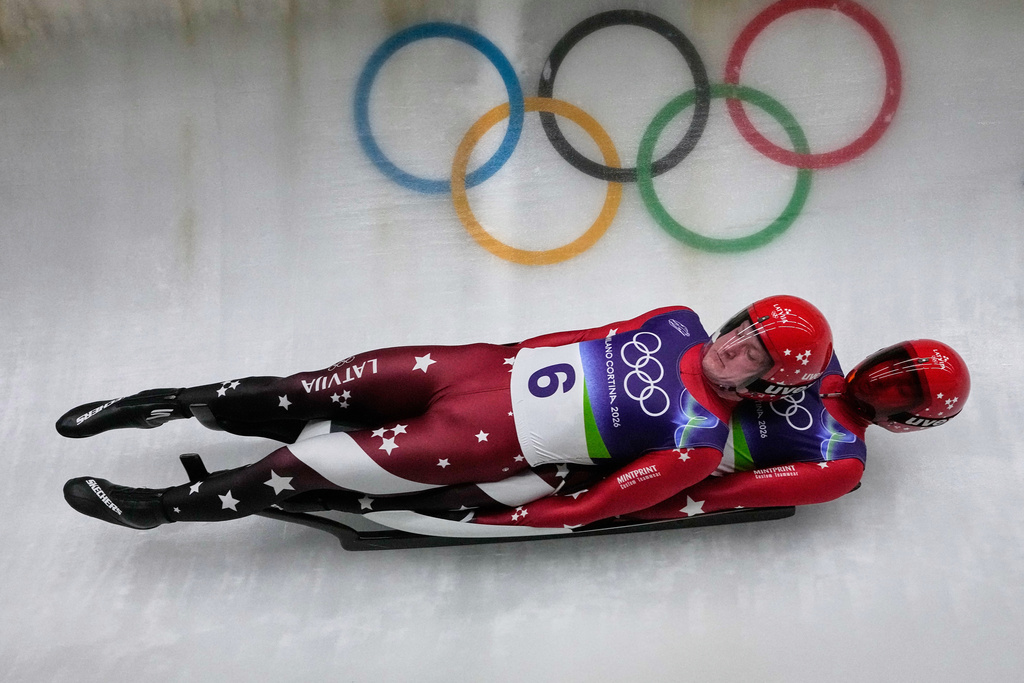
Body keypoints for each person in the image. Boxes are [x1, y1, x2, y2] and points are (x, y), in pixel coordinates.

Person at [59, 296, 833, 532]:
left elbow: (600, 502)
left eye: (756, 355)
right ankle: (159, 406)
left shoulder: (697, 442)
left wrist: (513, 522)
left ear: (766, 384)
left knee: (296, 468)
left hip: (477, 439)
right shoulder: (676, 320)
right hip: (475, 366)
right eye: (746, 331)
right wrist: (503, 353)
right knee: (304, 388)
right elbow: (575, 335)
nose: (736, 348)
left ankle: (156, 509)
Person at [272, 339, 971, 534]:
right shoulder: (814, 357)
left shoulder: (840, 463)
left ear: (909, 423)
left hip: (624, 463)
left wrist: (570, 514)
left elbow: (720, 492)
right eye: (890, 370)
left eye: (898, 392)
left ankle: (388, 495)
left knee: (473, 485)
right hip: (617, 412)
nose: (879, 384)